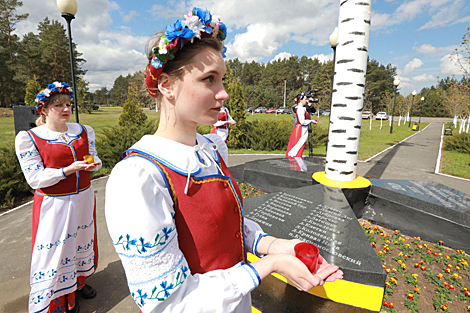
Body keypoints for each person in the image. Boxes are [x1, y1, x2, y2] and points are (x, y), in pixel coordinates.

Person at [105, 8, 342, 313]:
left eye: (222, 80)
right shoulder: (138, 177)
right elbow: (167, 302)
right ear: (166, 85)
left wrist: (277, 246)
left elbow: (227, 228)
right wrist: (268, 266)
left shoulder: (208, 150)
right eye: (209, 80)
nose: (224, 93)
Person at [15, 82, 102, 313]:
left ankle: (78, 281)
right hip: (54, 204)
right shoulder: (29, 138)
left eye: (68, 104)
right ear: (43, 110)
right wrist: (67, 170)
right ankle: (58, 298)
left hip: (83, 198)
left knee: (81, 240)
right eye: (58, 105)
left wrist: (94, 164)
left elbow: (92, 157)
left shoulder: (83, 131)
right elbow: (34, 178)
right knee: (56, 250)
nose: (66, 109)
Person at [286, 93, 318, 158]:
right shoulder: (297, 107)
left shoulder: (303, 108)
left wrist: (310, 106)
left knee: (300, 145)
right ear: (300, 100)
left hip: (304, 127)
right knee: (298, 144)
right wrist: (311, 121)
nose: (306, 101)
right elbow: (302, 120)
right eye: (305, 99)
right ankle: (295, 159)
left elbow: (313, 111)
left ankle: (296, 158)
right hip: (300, 128)